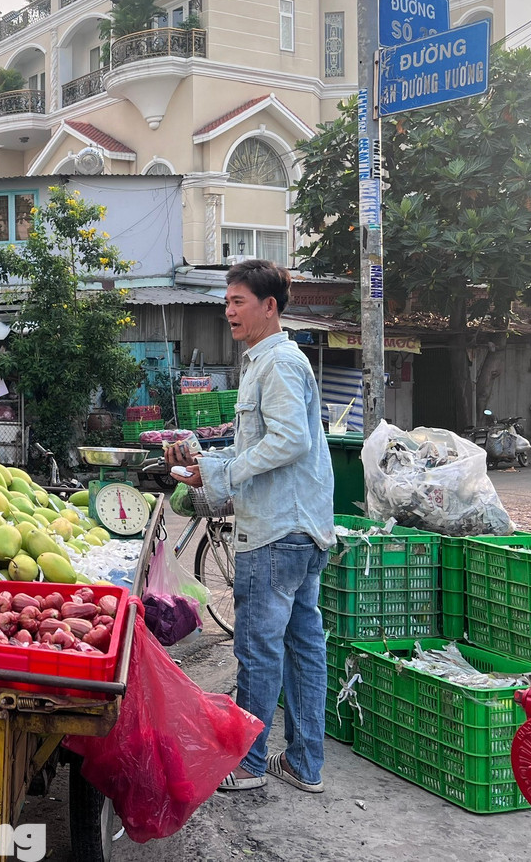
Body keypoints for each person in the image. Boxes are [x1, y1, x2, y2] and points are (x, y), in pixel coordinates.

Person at [166, 260, 335, 795]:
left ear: (270, 306)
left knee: (259, 650)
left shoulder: (278, 363)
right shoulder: (268, 361)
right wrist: (210, 468)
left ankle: (251, 763)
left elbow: (289, 442)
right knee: (303, 645)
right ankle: (305, 764)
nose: (229, 311)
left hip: (276, 533)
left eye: (239, 301)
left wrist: (228, 471)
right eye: (227, 301)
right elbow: (260, 442)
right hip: (299, 528)